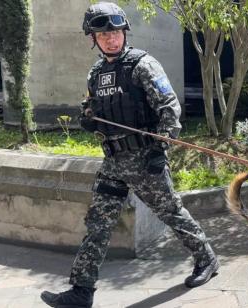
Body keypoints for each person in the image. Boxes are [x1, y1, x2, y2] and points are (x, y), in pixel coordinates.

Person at [40, 2, 219, 307]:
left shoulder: (142, 65)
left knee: (171, 213)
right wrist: (87, 118)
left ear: (124, 32)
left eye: (116, 32)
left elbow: (169, 110)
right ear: (93, 39)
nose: (111, 38)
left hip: (145, 159)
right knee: (98, 224)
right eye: (103, 34)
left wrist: (161, 150)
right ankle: (82, 291)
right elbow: (93, 108)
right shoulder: (96, 73)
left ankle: (207, 259)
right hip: (113, 162)